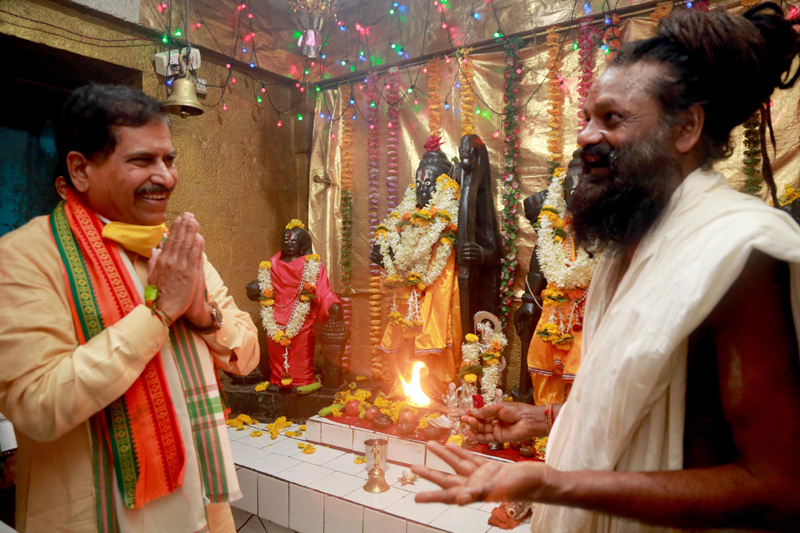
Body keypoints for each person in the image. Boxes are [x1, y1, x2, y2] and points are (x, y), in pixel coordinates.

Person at [411, 4, 800, 531]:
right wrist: (547, 419)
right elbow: (640, 404)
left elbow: (778, 488)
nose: (587, 137)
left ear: (686, 127)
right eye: (588, 118)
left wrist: (557, 484)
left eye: (612, 118)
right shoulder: (628, 249)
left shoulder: (740, 249)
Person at [0, 84, 260, 533]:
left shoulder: (175, 250)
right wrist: (158, 315)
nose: (167, 177)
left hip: (204, 508)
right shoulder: (23, 257)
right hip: (97, 518)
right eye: (142, 160)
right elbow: (39, 406)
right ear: (80, 170)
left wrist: (202, 316)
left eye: (169, 159)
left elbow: (247, 352)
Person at [371, 136, 463, 399]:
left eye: (430, 181)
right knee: (406, 337)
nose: (423, 187)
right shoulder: (406, 217)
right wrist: (383, 251)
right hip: (407, 291)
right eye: (419, 181)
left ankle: (436, 392)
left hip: (439, 286)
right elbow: (394, 250)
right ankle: (407, 388)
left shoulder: (451, 215)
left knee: (438, 338)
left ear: (445, 184)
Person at [515, 150, 599, 410]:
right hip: (553, 310)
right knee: (543, 367)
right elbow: (540, 263)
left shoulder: (608, 229)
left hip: (588, 313)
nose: (575, 192)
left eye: (581, 185)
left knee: (583, 372)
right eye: (569, 186)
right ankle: (544, 427)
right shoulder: (554, 226)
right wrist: (528, 301)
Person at [245, 220, 343, 389]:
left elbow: (323, 292)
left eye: (294, 241)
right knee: (276, 351)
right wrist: (254, 289)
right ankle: (278, 380)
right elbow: (264, 288)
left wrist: (333, 305)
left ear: (303, 244)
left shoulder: (312, 266)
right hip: (275, 316)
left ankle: (301, 382)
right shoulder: (271, 265)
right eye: (286, 241)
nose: (289, 244)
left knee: (300, 351)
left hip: (301, 315)